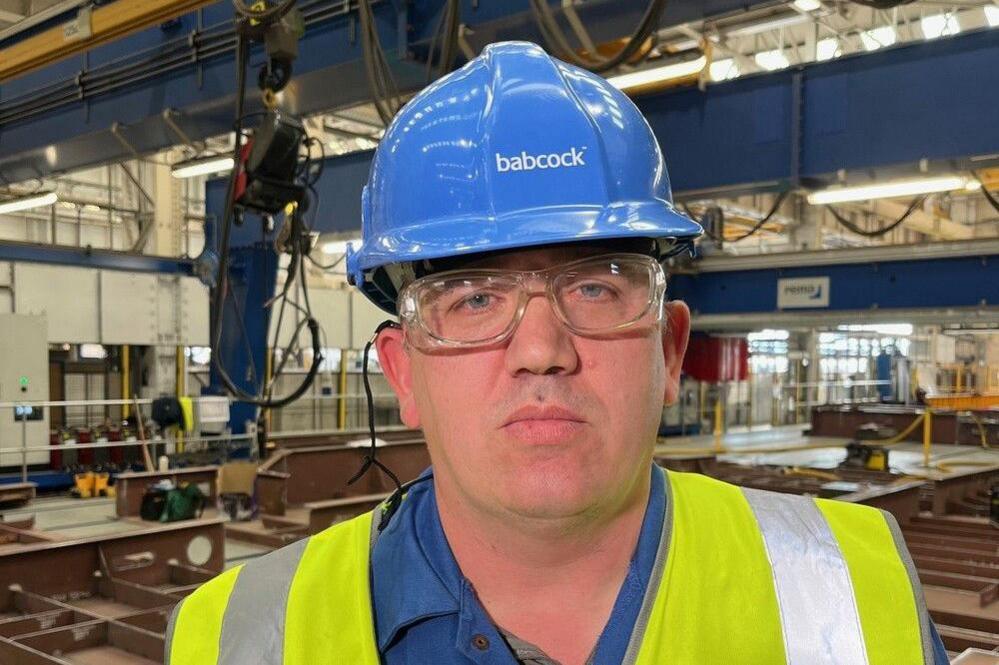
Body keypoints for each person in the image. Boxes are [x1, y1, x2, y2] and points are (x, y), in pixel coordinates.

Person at [166, 41, 948, 664]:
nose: (540, 349)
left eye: (597, 288)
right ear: (402, 371)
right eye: (472, 299)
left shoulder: (848, 589)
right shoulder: (236, 638)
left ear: (669, 351)